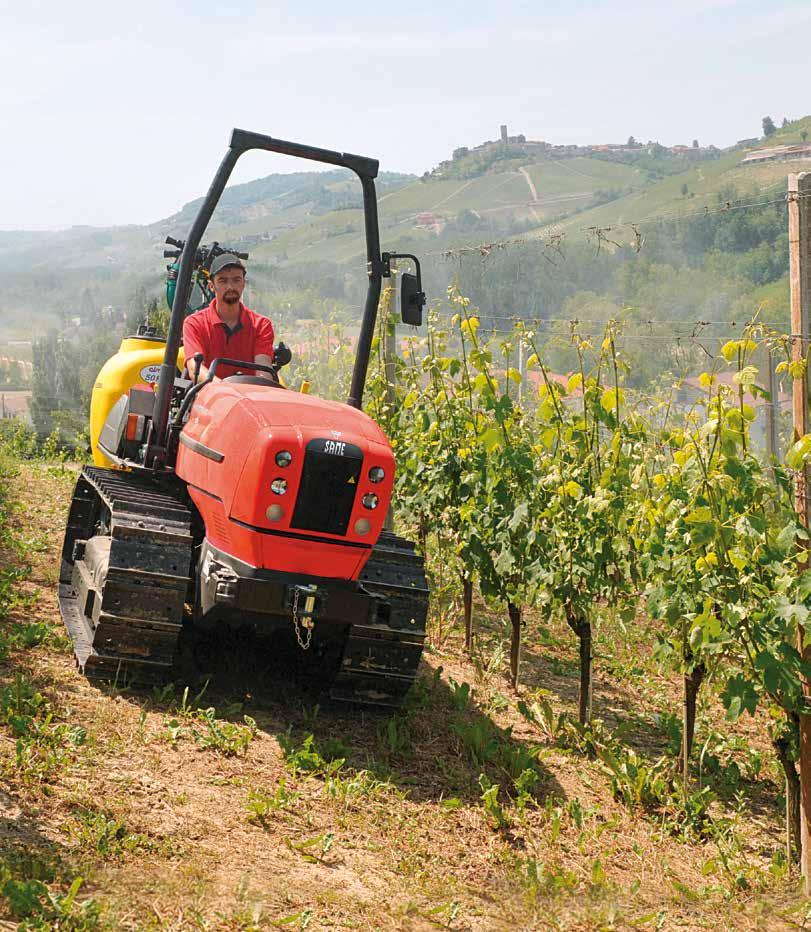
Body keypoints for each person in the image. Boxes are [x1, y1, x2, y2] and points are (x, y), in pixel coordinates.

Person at [182, 254, 275, 382]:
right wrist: (226, 392)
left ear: (243, 284)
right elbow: (195, 370)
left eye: (236, 280)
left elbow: (263, 370)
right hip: (208, 398)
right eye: (223, 280)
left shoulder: (261, 325)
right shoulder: (194, 324)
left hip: (248, 397)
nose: (230, 287)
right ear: (211, 286)